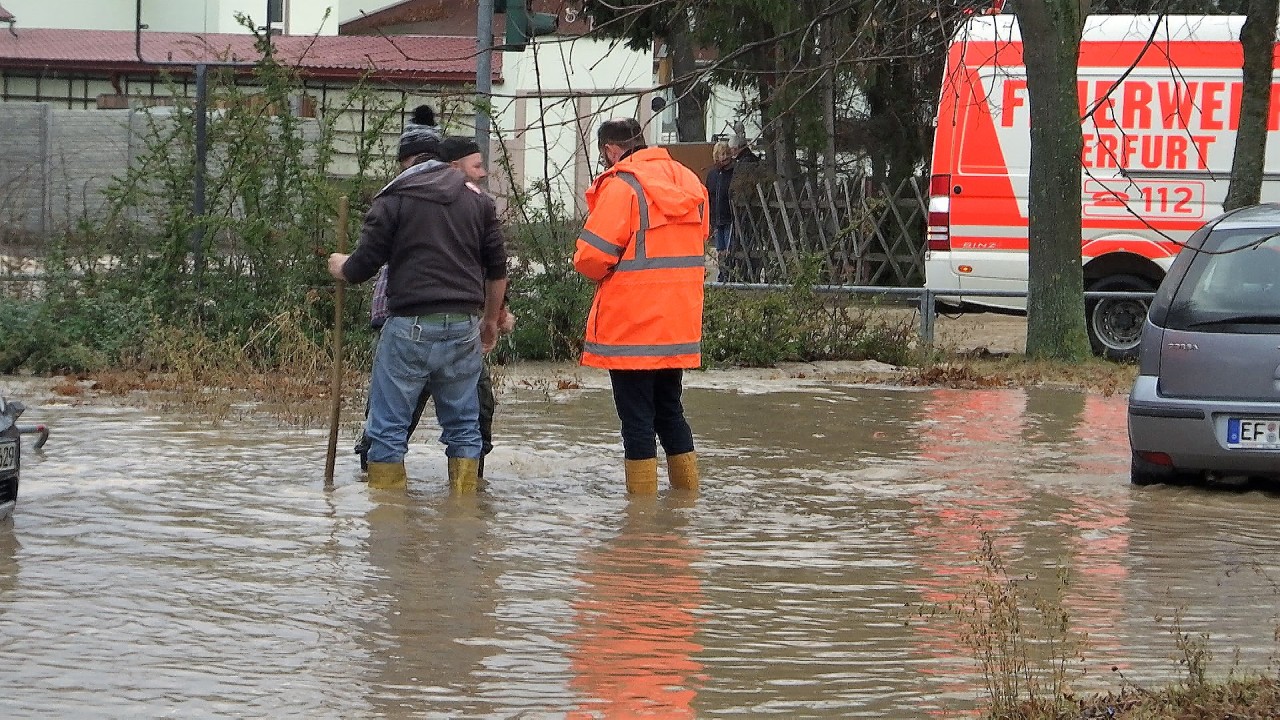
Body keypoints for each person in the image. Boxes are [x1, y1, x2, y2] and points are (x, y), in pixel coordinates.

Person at [328, 107, 508, 492]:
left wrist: (339, 266)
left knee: (388, 428)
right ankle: (464, 517)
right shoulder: (478, 200)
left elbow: (362, 268)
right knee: (464, 426)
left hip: (409, 325)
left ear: (404, 161)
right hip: (463, 326)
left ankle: (387, 520)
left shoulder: (393, 198)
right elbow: (497, 269)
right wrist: (490, 321)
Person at [573, 117, 709, 495]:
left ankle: (641, 516)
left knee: (635, 420)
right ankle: (686, 500)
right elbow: (701, 237)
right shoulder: (690, 182)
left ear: (610, 150)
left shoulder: (623, 187)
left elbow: (591, 257)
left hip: (631, 323)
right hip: (678, 321)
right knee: (670, 411)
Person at [704, 141, 735, 282]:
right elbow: (709, 197)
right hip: (717, 218)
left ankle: (728, 273)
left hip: (729, 217)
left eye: (726, 153)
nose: (724, 157)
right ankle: (722, 273)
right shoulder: (712, 175)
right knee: (719, 249)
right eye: (721, 154)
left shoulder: (733, 173)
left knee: (728, 248)